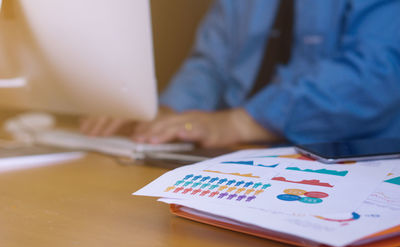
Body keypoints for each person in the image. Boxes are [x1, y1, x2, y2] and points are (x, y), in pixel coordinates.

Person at [81, 0, 400, 147]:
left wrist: (242, 122)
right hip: (243, 157)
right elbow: (211, 62)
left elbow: (375, 73)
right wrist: (165, 112)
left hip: (350, 157)